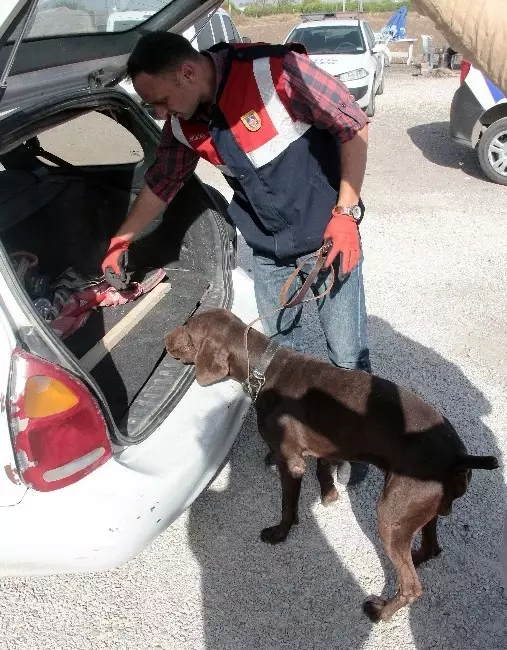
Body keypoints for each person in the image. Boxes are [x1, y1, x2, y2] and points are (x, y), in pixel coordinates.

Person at [101, 32, 371, 484]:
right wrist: (122, 238)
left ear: (188, 72)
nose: (162, 115)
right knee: (285, 359)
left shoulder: (276, 72)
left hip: (329, 239)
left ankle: (360, 444)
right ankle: (300, 438)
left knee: (346, 356)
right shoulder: (184, 125)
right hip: (268, 251)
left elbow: (353, 123)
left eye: (162, 101)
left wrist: (345, 212)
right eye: (154, 109)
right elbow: (162, 182)